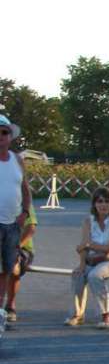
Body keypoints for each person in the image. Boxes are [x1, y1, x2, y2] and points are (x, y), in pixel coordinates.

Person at [64, 187, 109, 328]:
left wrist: (89, 245)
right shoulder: (88, 221)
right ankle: (77, 315)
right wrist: (81, 264)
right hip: (95, 259)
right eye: (100, 201)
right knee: (77, 275)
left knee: (94, 275)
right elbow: (83, 247)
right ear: (94, 204)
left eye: (107, 201)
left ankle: (105, 315)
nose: (103, 205)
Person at [0, 115, 32, 314]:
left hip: (13, 225)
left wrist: (26, 212)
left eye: (4, 132)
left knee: (6, 269)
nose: (1, 136)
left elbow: (26, 189)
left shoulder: (17, 160)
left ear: (11, 136)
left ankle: (1, 311)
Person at [3, 205, 37, 322]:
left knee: (13, 266)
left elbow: (30, 229)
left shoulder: (22, 202)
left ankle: (10, 306)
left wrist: (15, 248)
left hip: (21, 247)